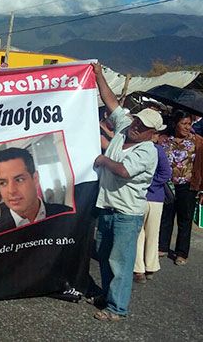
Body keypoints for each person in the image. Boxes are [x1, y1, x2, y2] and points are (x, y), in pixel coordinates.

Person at [91, 62, 165, 321]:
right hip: (107, 207)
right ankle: (107, 296)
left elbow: (123, 170)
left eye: (143, 126)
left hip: (126, 214)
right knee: (104, 256)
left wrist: (103, 161)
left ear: (152, 134)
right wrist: (99, 75)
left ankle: (117, 308)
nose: (136, 126)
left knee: (120, 262)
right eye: (137, 121)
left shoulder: (148, 151)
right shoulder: (124, 129)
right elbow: (111, 102)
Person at [0, 147, 72, 237]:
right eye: (3, 183)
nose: (11, 190)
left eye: (19, 180)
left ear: (35, 179)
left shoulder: (67, 216)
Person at [158, 110, 203, 266]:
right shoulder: (164, 139)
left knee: (185, 219)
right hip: (167, 184)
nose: (186, 127)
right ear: (175, 124)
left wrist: (202, 189)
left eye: (189, 124)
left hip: (188, 186)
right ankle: (162, 246)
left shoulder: (198, 141)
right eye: (183, 123)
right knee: (166, 216)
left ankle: (181, 252)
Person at [133, 133, 172, 283]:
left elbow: (166, 173)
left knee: (140, 233)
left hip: (145, 196)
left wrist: (147, 184)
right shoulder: (158, 150)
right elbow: (166, 173)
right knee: (150, 233)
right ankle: (148, 267)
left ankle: (140, 268)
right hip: (155, 197)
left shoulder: (148, 149)